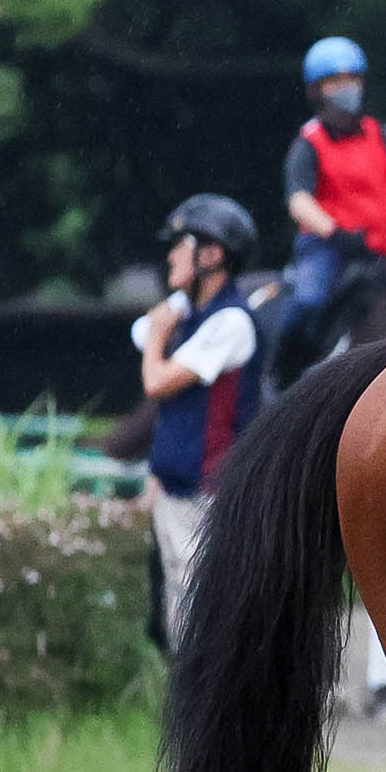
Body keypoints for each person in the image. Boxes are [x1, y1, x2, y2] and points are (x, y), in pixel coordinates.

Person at [132, 196, 265, 649]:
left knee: (201, 632)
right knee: (178, 626)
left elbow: (157, 381)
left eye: (181, 245)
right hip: (176, 492)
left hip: (209, 497)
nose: (171, 255)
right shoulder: (192, 315)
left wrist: (158, 334)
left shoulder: (230, 322)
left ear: (211, 255)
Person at [269, 36, 386, 369]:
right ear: (317, 90)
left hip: (383, 247)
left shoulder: (384, 133)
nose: (346, 88)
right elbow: (299, 200)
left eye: (352, 79)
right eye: (335, 82)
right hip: (329, 248)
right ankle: (281, 372)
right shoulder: (308, 142)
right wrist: (336, 234)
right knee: (308, 300)